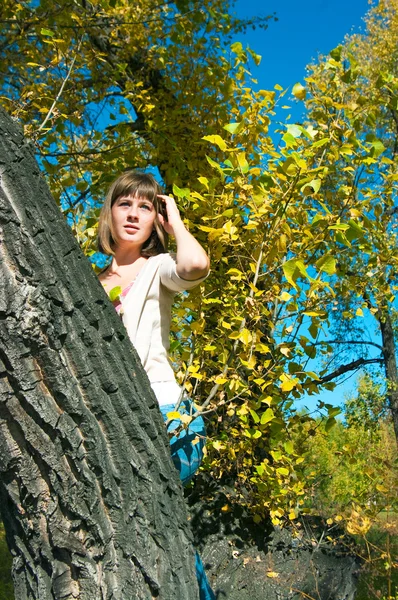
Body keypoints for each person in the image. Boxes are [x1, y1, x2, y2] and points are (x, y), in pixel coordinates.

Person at [97, 170, 215, 599]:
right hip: (117, 423)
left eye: (144, 207)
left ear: (154, 221)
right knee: (151, 526)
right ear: (109, 213)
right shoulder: (87, 283)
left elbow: (196, 265)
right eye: (124, 204)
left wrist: (177, 223)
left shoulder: (157, 268)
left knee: (157, 516)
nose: (132, 214)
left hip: (169, 417)